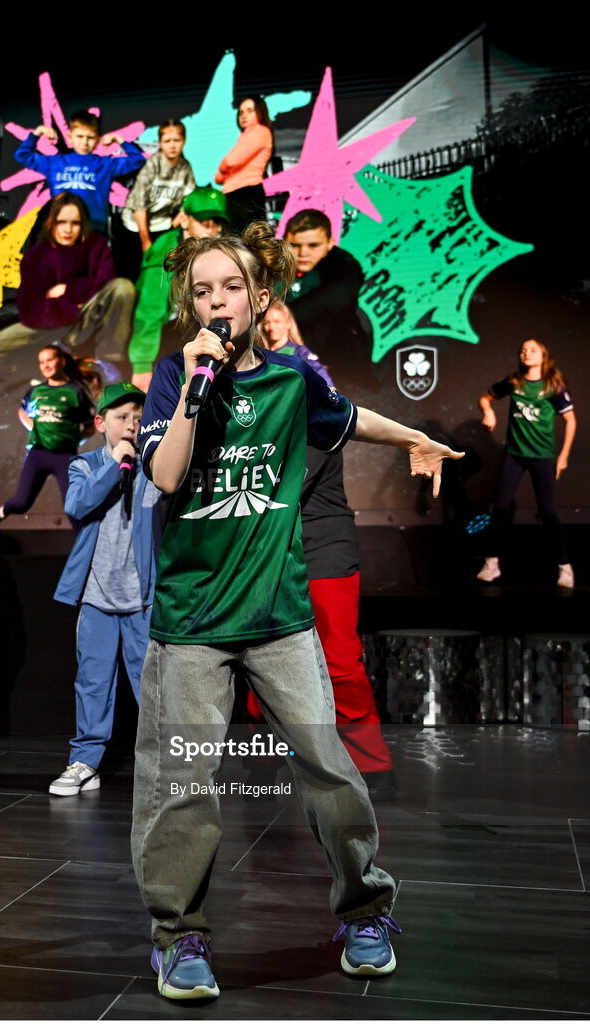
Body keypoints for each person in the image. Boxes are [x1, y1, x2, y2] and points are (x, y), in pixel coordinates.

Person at [131, 222, 462, 1000]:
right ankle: (179, 939)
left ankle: (366, 912)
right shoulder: (172, 378)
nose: (218, 301)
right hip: (191, 626)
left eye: (232, 287)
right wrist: (190, 388)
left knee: (331, 773)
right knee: (183, 786)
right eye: (203, 291)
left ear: (260, 296)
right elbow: (170, 478)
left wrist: (415, 435)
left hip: (280, 619)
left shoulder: (289, 382)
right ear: (189, 303)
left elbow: (349, 421)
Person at [248, 303, 396, 799]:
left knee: (339, 661)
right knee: (261, 660)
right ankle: (267, 757)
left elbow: (282, 487)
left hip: (324, 549)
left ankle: (372, 765)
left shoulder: (320, 423)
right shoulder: (265, 426)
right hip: (273, 554)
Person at [50, 383, 161, 795]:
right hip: (97, 598)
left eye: (137, 417)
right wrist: (115, 464)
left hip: (142, 600)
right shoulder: (84, 465)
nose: (131, 426)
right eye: (120, 418)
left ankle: (164, 764)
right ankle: (85, 762)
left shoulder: (153, 466)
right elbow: (77, 506)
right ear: (100, 424)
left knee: (149, 684)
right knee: (93, 682)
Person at [0, 193, 135, 383]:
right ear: (51, 223)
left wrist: (65, 290)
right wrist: (67, 309)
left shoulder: (96, 245)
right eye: (62, 222)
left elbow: (105, 283)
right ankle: (53, 368)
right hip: (51, 321)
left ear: (82, 224)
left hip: (87, 315)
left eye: (75, 223)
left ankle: (108, 360)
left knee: (123, 288)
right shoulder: (36, 255)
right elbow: (29, 310)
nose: (68, 229)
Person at [477, 338, 576, 587]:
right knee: (499, 508)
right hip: (515, 454)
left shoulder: (553, 385)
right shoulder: (515, 382)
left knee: (547, 511)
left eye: (533, 350)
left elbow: (571, 421)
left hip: (541, 456)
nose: (526, 353)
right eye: (522, 350)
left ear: (544, 356)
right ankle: (492, 563)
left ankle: (565, 567)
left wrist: (563, 456)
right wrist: (488, 411)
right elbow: (485, 398)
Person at [128, 185, 229, 390]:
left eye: (216, 222)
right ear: (184, 220)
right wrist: (142, 365)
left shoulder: (224, 249)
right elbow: (150, 311)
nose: (211, 229)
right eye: (204, 221)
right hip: (168, 330)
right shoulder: (165, 252)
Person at [0, 344, 95, 532]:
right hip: (38, 454)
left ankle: (89, 551)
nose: (45, 365)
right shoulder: (36, 391)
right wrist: (34, 426)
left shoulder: (75, 392)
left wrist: (73, 439)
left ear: (61, 361)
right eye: (41, 362)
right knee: (21, 503)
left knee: (72, 508)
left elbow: (90, 424)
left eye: (50, 360)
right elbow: (22, 411)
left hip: (65, 457)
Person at [14, 110, 145, 234]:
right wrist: (38, 132)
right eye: (80, 136)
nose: (85, 142)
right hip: (61, 228)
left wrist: (119, 139)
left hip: (94, 227)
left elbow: (138, 160)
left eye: (90, 137)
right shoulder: (54, 163)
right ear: (69, 137)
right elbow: (22, 155)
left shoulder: (105, 164)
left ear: (98, 139)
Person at [284, 209, 371, 370]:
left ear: (330, 242)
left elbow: (338, 297)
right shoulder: (273, 265)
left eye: (313, 245)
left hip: (340, 365)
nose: (303, 253)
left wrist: (282, 316)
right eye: (295, 245)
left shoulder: (345, 265)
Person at [121, 119, 196, 266]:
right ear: (160, 143)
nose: (172, 145)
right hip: (136, 227)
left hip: (162, 225)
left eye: (177, 140)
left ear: (184, 141)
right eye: (167, 141)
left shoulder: (185, 168)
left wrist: (180, 215)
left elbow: (189, 199)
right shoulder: (152, 165)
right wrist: (146, 242)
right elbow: (139, 207)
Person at [214, 96, 273, 230]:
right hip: (237, 194)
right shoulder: (246, 136)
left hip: (246, 193)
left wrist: (223, 168)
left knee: (246, 241)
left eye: (249, 110)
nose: (243, 115)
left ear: (260, 112)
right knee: (235, 242)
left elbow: (230, 161)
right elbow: (220, 176)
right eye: (241, 112)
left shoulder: (260, 132)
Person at [260, 297, 330, 380]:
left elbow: (321, 375)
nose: (271, 327)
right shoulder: (259, 353)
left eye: (277, 322)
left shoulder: (300, 353)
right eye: (267, 323)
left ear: (288, 323)